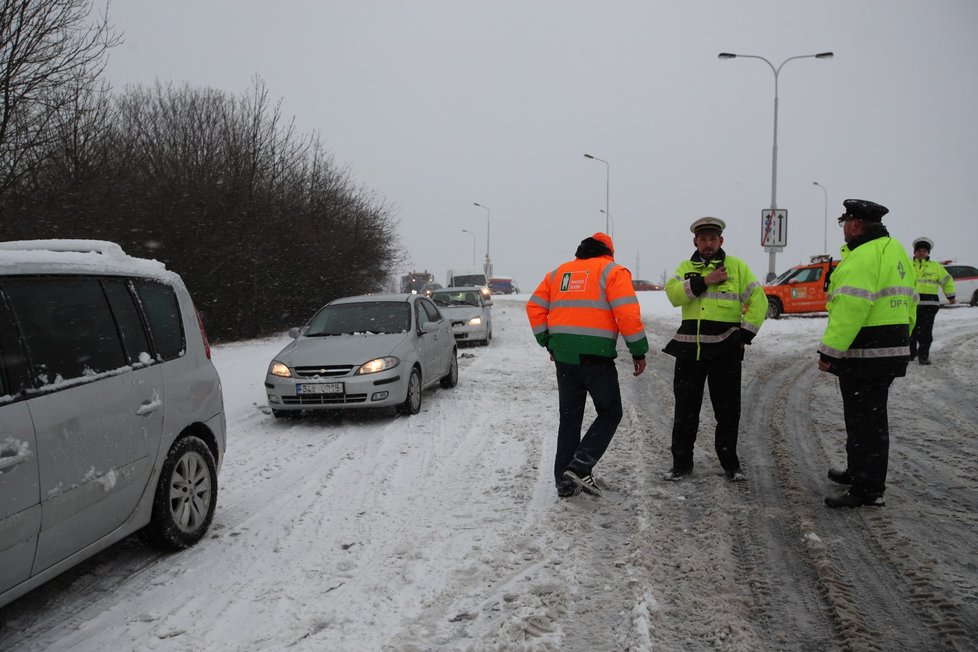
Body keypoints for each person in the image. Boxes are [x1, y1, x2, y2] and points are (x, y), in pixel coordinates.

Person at [526, 232, 648, 498]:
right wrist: (638, 351)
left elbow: (534, 306)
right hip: (597, 358)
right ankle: (581, 465)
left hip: (565, 358)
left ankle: (564, 482)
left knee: (570, 418)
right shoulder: (613, 271)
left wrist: (548, 341)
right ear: (608, 252)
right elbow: (627, 314)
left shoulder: (558, 273)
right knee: (610, 412)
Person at [818, 199, 916, 508]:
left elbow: (850, 309)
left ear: (856, 224)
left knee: (865, 421)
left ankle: (868, 489)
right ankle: (858, 471)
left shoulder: (862, 256)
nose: (844, 228)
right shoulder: (896, 250)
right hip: (889, 348)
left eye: (845, 222)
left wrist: (829, 352)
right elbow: (910, 302)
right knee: (868, 417)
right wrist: (903, 341)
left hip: (865, 352)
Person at [662, 217, 767, 482]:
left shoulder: (737, 268)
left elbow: (759, 299)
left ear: (721, 241)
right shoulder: (686, 267)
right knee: (685, 411)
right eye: (702, 239)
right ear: (695, 241)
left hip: (725, 354)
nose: (707, 244)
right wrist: (704, 280)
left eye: (712, 239)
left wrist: (746, 332)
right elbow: (674, 295)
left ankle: (731, 465)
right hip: (689, 352)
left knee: (728, 412)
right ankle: (681, 464)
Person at [909, 237, 956, 365]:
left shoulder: (936, 267)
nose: (921, 253)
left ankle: (923, 356)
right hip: (910, 304)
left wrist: (950, 296)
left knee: (925, 332)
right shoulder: (907, 265)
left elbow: (947, 281)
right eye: (919, 250)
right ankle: (910, 353)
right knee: (909, 330)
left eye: (924, 251)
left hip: (930, 304)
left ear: (928, 252)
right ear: (914, 252)